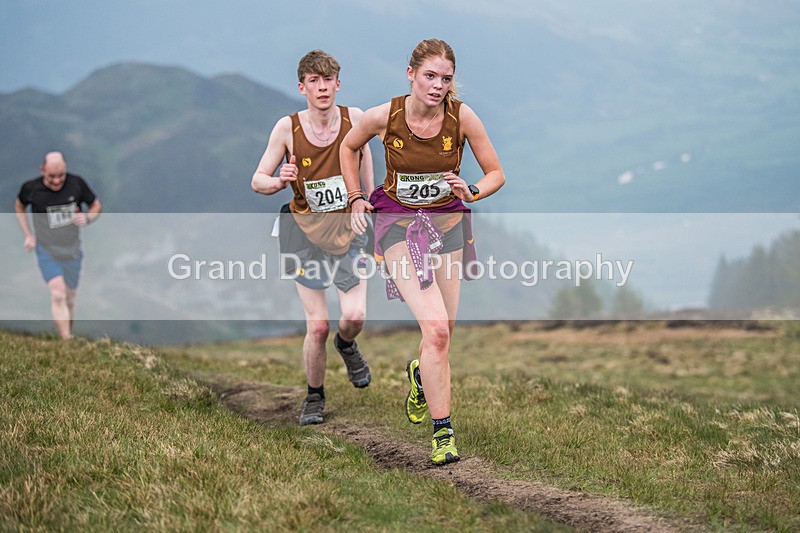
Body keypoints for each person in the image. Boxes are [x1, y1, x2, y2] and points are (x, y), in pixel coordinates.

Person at [341, 38, 505, 465]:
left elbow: (495, 173)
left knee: (443, 334)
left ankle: (420, 375)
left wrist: (471, 190)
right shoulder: (384, 116)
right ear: (410, 73)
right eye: (430, 76)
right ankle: (443, 433)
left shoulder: (462, 117)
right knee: (435, 331)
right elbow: (348, 147)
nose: (437, 86)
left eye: (446, 79)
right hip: (395, 225)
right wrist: (357, 196)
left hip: (448, 226)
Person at [252, 50, 374, 426]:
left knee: (354, 315)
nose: (322, 88)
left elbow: (365, 155)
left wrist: (366, 202)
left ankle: (347, 344)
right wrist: (280, 181)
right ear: (301, 86)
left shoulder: (356, 118)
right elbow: (257, 180)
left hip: (348, 228)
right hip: (302, 232)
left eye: (328, 80)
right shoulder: (287, 128)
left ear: (338, 84)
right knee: (317, 325)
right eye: (313, 81)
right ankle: (314, 397)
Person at [15, 151, 102, 340]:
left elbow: (96, 206)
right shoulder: (31, 189)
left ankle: (67, 334)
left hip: (72, 250)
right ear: (42, 170)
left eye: (60, 176)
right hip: (46, 249)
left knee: (70, 298)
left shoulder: (77, 184)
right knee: (58, 294)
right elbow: (19, 206)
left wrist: (87, 218)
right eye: (51, 176)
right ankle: (66, 341)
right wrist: (28, 235)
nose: (56, 181)